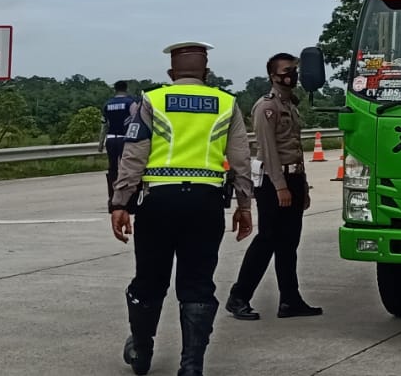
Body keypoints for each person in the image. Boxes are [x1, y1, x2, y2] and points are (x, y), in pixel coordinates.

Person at [109, 42, 254, 376]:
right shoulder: (226, 103)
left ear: (171, 74)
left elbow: (133, 155)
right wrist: (244, 205)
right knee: (198, 283)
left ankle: (141, 350)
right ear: (206, 72)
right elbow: (241, 159)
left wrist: (120, 202)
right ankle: (191, 366)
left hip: (159, 202)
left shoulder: (152, 100)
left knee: (149, 278)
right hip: (205, 204)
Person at [226, 52, 323, 321]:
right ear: (273, 75)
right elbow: (268, 150)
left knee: (289, 242)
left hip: (293, 179)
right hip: (273, 181)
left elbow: (295, 150)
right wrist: (281, 187)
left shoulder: (290, 105)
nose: (293, 74)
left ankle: (290, 300)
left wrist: (302, 187)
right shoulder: (265, 107)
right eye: (287, 70)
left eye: (294, 69)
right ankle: (238, 297)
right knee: (267, 239)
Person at [101, 81, 139, 205]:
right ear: (126, 89)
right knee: (127, 168)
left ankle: (112, 196)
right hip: (125, 139)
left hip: (111, 139)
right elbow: (136, 121)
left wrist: (101, 143)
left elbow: (104, 126)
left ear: (115, 89)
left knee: (112, 168)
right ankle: (127, 197)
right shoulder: (130, 103)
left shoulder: (107, 104)